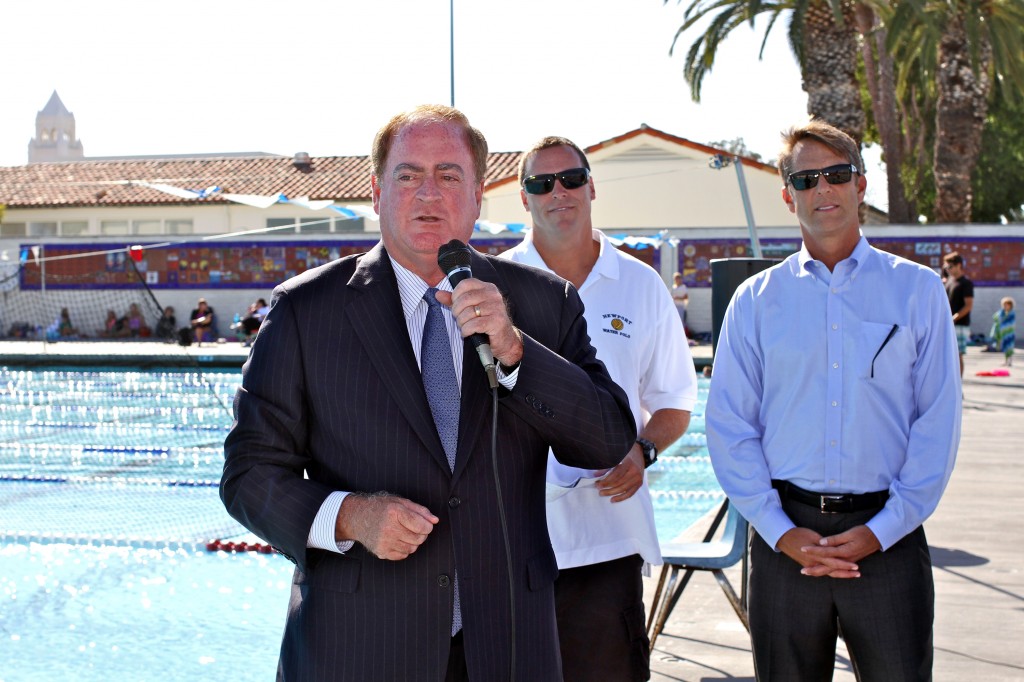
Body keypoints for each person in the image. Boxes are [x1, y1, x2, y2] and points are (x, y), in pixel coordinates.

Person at [220, 105, 636, 682]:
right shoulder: (304, 312)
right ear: (376, 191)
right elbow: (248, 475)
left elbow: (608, 440)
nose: (427, 194)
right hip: (359, 647)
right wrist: (349, 516)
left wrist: (517, 353)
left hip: (509, 647)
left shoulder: (546, 303)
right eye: (408, 175)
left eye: (448, 175)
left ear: (478, 194)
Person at [705, 120, 961, 680]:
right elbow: (729, 425)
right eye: (806, 179)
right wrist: (779, 531)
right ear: (787, 194)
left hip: (887, 536)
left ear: (861, 184)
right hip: (784, 539)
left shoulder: (916, 291)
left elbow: (936, 423)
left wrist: (883, 530)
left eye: (836, 174)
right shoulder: (754, 301)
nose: (823, 190)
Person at [501, 136, 697, 681]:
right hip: (516, 544)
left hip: (609, 542)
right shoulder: (492, 284)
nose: (557, 193)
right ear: (524, 199)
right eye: (541, 183)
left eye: (569, 179)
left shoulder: (640, 284)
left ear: (592, 186)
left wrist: (643, 450)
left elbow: (676, 401)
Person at [943, 251, 974, 377]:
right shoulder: (949, 281)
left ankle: (958, 387)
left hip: (960, 324)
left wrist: (954, 318)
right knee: (948, 356)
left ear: (959, 265)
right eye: (946, 267)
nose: (948, 270)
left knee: (957, 355)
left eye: (950, 267)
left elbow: (968, 305)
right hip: (949, 323)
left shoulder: (965, 283)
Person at [992, 296, 1016, 366]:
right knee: (1005, 346)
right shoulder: (1002, 312)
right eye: (1004, 305)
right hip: (1003, 333)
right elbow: (995, 317)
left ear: (1010, 305)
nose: (1006, 306)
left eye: (1007, 305)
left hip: (1009, 333)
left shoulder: (1011, 313)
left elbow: (1010, 323)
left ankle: (1010, 361)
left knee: (1010, 347)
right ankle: (1006, 361)